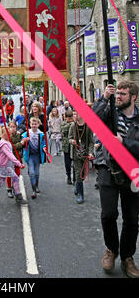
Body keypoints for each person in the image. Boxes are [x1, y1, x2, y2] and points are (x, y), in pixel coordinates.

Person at [93, 81, 139, 278]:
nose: (118, 96)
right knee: (108, 214)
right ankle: (112, 249)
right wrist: (104, 98)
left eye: (123, 94)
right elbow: (94, 119)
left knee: (131, 219)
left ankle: (127, 257)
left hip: (132, 171)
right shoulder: (110, 112)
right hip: (108, 168)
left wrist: (124, 142)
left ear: (133, 97)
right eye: (117, 93)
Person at [0, 126, 27, 205]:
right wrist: (19, 164)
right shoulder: (4, 144)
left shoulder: (4, 142)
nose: (10, 135)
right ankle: (18, 196)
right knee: (15, 178)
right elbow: (10, 155)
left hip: (3, 165)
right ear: (3, 135)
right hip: (5, 166)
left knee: (1, 181)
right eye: (8, 134)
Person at [68, 111, 94, 204]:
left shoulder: (87, 127)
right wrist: (72, 141)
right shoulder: (72, 126)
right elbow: (69, 138)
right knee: (78, 172)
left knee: (83, 174)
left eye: (77, 114)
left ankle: (77, 184)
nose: (75, 116)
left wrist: (91, 153)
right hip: (76, 154)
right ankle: (80, 194)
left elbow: (91, 142)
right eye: (74, 114)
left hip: (85, 154)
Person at [22, 117, 47, 199]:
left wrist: (44, 147)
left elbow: (44, 143)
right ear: (30, 124)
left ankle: (36, 186)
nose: (33, 125)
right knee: (32, 173)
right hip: (30, 155)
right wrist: (25, 140)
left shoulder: (41, 134)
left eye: (35, 124)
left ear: (38, 124)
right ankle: (33, 190)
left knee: (37, 173)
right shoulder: (26, 134)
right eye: (32, 124)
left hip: (37, 155)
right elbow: (22, 142)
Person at [6, 120, 26, 198]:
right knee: (9, 174)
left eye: (14, 127)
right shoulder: (7, 137)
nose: (12, 129)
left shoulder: (19, 135)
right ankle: (9, 188)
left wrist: (24, 141)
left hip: (17, 158)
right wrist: (20, 144)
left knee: (17, 173)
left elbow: (22, 145)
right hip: (9, 158)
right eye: (11, 127)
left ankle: (15, 187)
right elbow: (11, 147)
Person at [60, 109, 74, 184]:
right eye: (68, 118)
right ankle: (68, 176)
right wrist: (71, 123)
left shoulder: (75, 123)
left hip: (74, 146)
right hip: (66, 146)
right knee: (67, 163)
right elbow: (63, 130)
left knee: (75, 163)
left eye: (70, 118)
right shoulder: (63, 123)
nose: (69, 119)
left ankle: (75, 177)